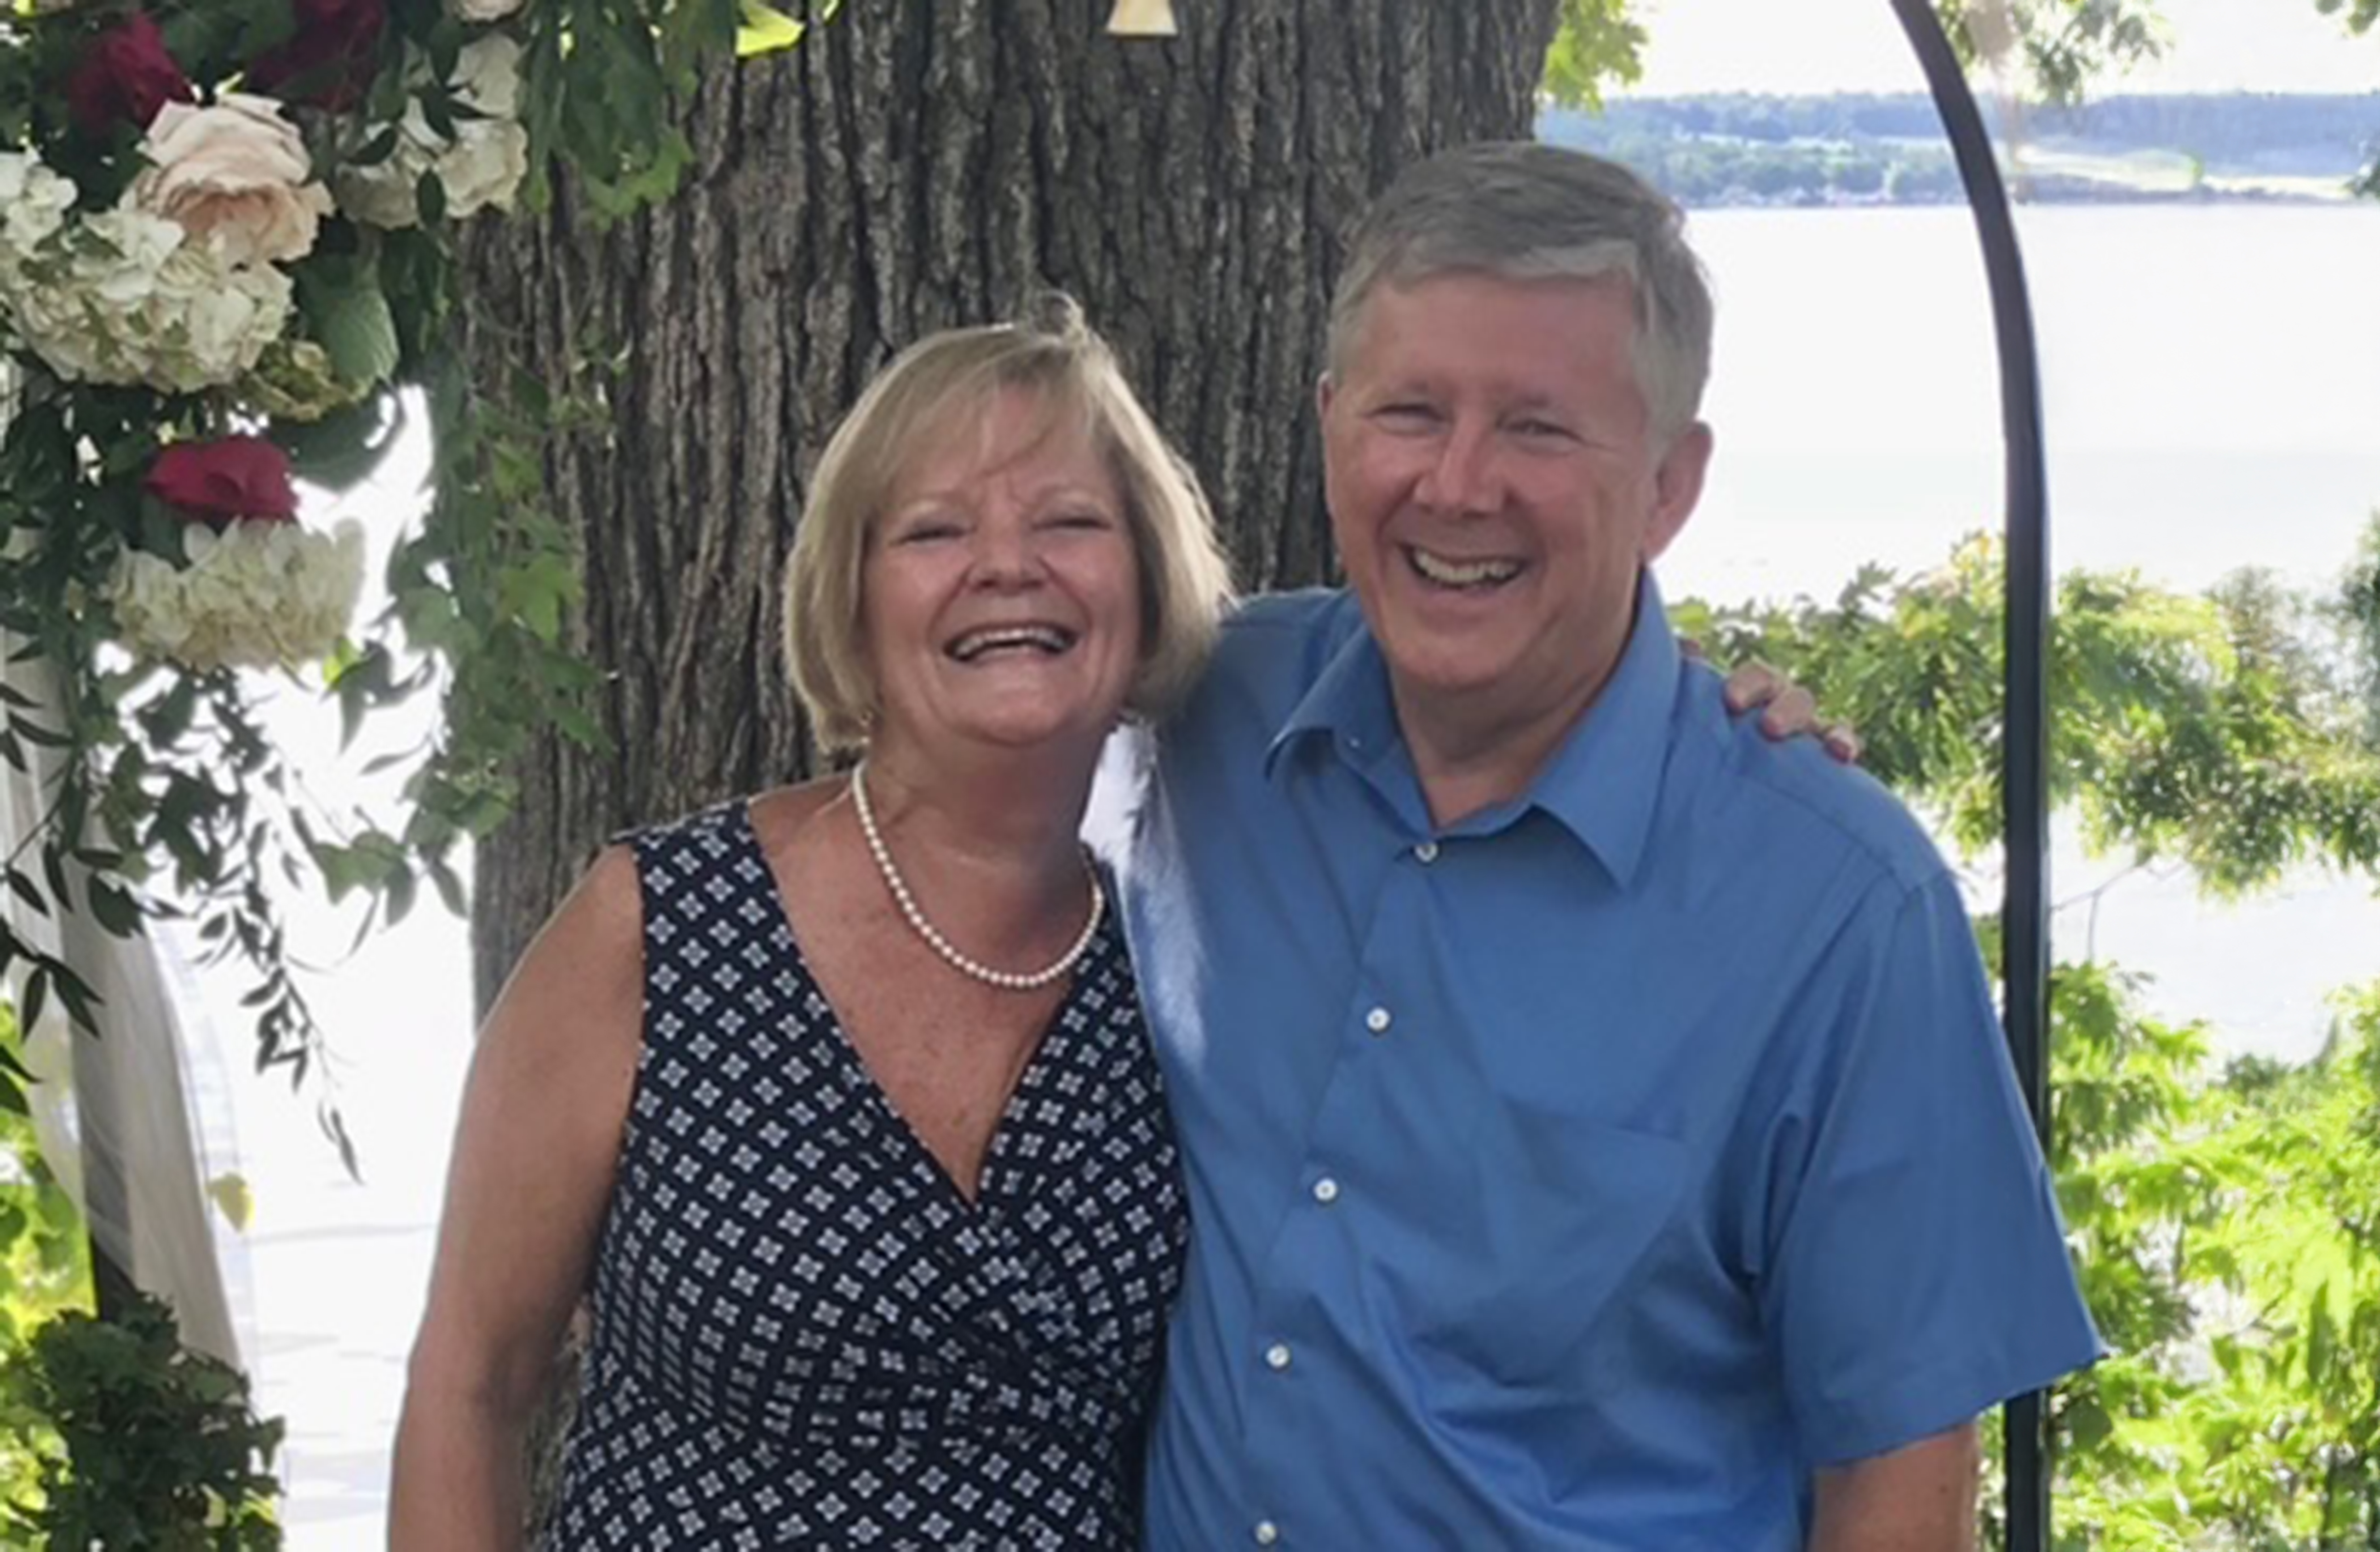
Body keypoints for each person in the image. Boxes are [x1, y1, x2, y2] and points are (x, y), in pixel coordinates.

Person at [1114, 142, 2102, 1550]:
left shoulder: (1837, 911)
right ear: (1332, 428)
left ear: (1668, 486)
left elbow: (1900, 1484)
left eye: (1538, 428)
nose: (1460, 485)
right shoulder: (1198, 713)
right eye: (1411, 411)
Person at [390, 305, 1233, 1548]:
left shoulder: (1178, 967)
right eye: (936, 530)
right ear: (853, 602)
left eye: (1068, 521)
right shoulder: (662, 926)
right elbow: (470, 1385)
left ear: (1148, 586)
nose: (1009, 565)